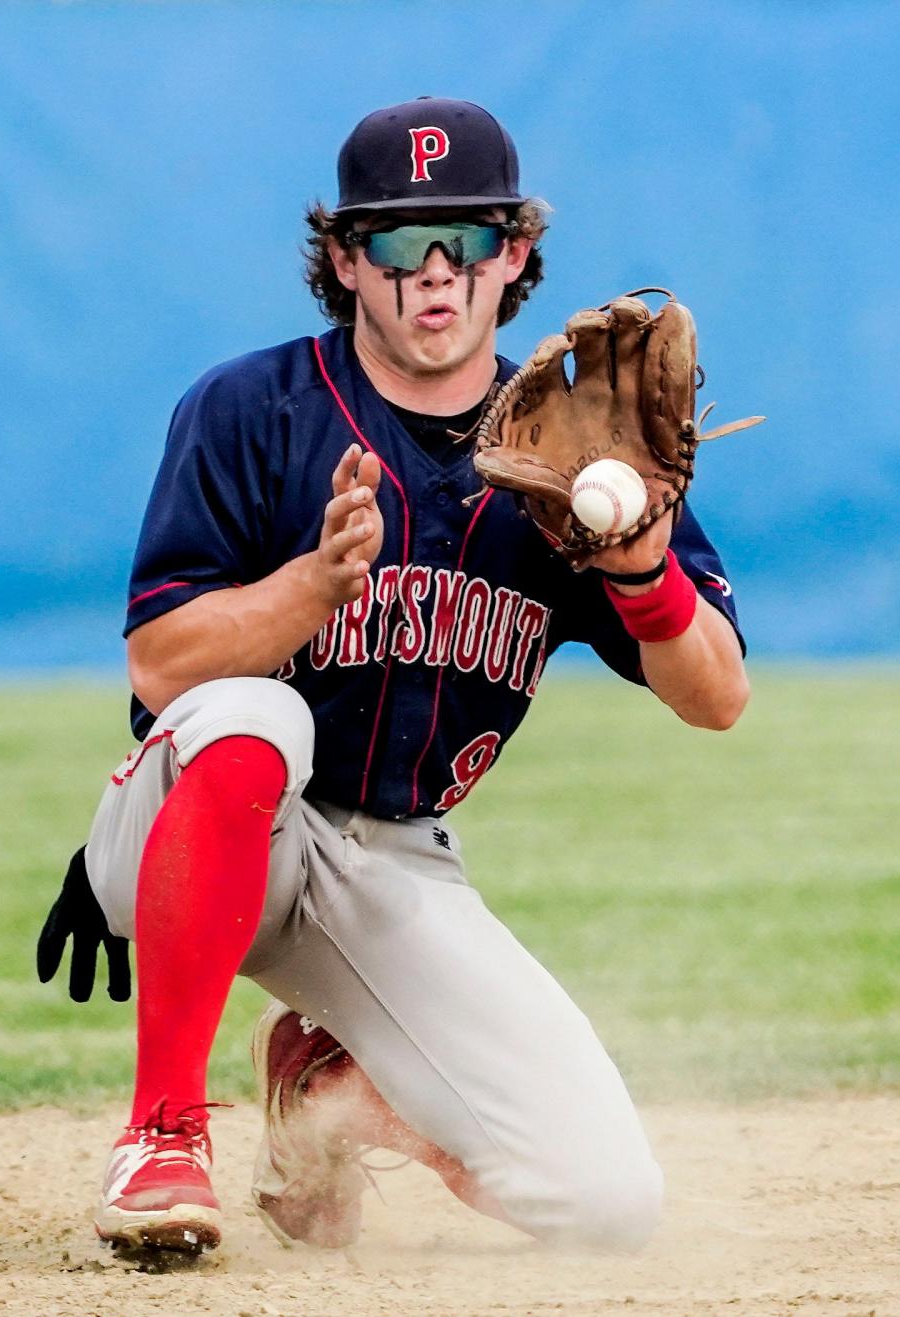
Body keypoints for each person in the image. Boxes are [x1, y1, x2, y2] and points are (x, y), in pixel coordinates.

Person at [44, 96, 749, 1256]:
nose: (436, 272)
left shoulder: (570, 450)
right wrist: (309, 589)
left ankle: (331, 1084)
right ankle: (162, 1134)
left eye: (467, 239)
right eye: (397, 242)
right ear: (344, 261)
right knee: (254, 713)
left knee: (607, 1201)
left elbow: (716, 697)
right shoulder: (249, 410)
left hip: (389, 861)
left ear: (514, 254)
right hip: (201, 820)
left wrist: (638, 569)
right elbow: (159, 663)